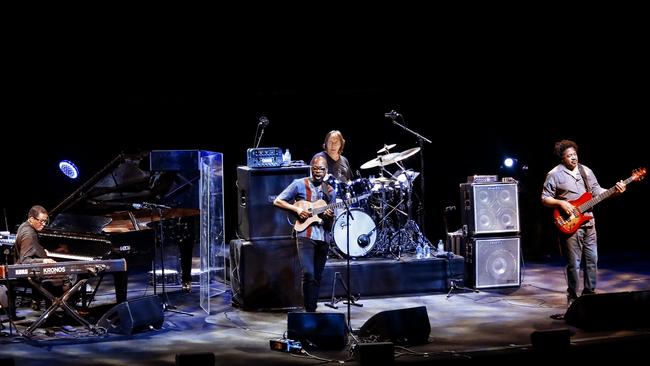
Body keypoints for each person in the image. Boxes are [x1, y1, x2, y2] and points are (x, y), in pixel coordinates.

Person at [541, 140, 626, 304]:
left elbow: (598, 192)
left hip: (589, 223)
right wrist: (561, 203)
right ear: (562, 158)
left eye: (575, 154)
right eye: (569, 155)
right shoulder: (554, 174)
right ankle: (573, 299)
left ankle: (589, 297)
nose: (573, 158)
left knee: (592, 261)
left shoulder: (586, 171)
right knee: (573, 264)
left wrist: (615, 191)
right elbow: (545, 198)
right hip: (570, 224)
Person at [273, 155, 335, 312]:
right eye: (315, 168)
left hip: (323, 236)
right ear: (311, 168)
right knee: (308, 273)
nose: (318, 172)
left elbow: (330, 223)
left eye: (321, 169)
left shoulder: (330, 191)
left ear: (326, 171)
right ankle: (308, 310)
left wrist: (330, 217)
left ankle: (311, 310)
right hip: (305, 234)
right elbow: (278, 201)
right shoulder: (299, 184)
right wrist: (297, 209)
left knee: (317, 277)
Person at [14, 205, 68, 311]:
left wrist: (41, 250)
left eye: (45, 222)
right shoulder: (29, 234)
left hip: (30, 269)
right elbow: (25, 261)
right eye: (41, 221)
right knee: (68, 277)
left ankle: (51, 308)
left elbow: (31, 246)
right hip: (29, 274)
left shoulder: (25, 226)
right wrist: (43, 260)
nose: (43, 224)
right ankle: (62, 308)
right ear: (31, 219)